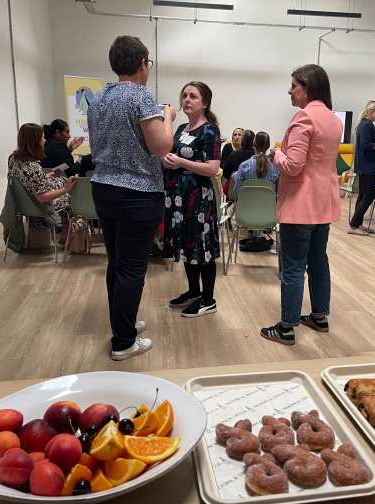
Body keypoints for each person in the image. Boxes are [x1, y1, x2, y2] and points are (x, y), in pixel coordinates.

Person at [88, 35, 175, 361]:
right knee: (131, 269)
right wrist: (168, 117)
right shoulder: (141, 97)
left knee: (117, 263)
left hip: (103, 188)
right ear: (142, 64)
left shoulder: (100, 98)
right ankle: (123, 341)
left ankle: (123, 324)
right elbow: (161, 146)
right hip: (137, 193)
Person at [260, 64, 342, 346]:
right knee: (319, 261)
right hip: (324, 204)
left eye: (294, 85)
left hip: (300, 205)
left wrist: (275, 154)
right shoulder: (333, 120)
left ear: (308, 88)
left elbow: (293, 166)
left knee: (293, 267)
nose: (290, 91)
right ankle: (319, 316)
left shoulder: (303, 118)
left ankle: (286, 327)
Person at [163, 81, 221, 318]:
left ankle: (208, 299)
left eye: (193, 96)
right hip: (179, 198)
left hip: (199, 200)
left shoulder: (210, 130)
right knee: (188, 246)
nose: (187, 100)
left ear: (204, 103)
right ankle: (194, 291)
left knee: (202, 248)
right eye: (184, 95)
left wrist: (181, 163)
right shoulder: (181, 130)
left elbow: (212, 168)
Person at [7, 123, 75, 216]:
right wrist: (65, 189)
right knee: (76, 195)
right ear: (34, 141)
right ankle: (70, 227)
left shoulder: (13, 158)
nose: (44, 140)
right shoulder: (32, 166)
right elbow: (42, 197)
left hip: (24, 203)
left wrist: (46, 176)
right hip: (41, 204)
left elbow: (27, 179)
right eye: (42, 138)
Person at [347, 100, 375, 235]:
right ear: (372, 111)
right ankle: (354, 223)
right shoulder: (366, 125)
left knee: (363, 195)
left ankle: (357, 224)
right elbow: (366, 145)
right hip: (367, 166)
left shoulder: (367, 124)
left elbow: (370, 140)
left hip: (366, 165)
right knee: (369, 196)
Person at [222, 129, 255, 194]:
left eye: (239, 135)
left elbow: (225, 175)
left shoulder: (232, 156)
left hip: (235, 194)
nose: (237, 137)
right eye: (235, 134)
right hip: (256, 194)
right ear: (254, 142)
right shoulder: (261, 158)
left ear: (242, 140)